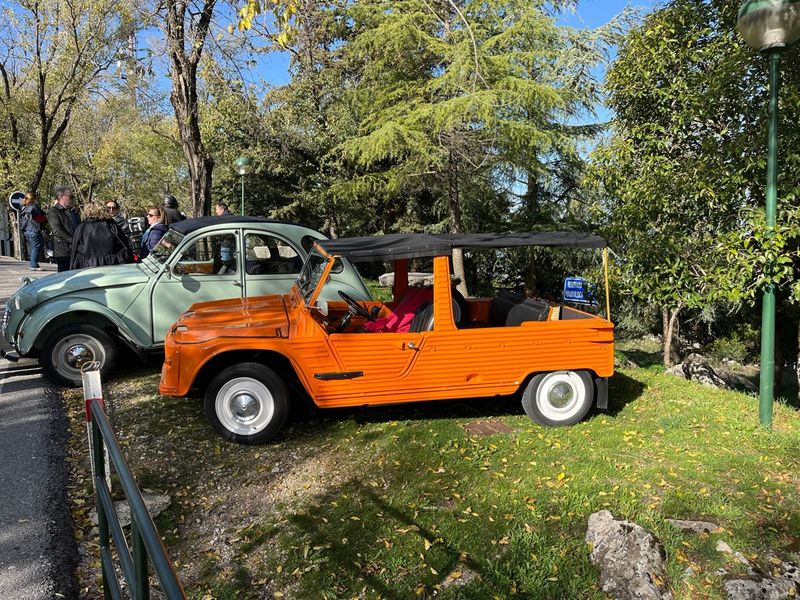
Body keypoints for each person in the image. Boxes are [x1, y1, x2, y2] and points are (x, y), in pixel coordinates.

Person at [69, 203, 132, 270]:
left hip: (88, 265)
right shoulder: (111, 225)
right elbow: (123, 243)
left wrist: (73, 267)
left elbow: (75, 249)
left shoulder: (81, 228)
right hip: (112, 263)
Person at [47, 186, 80, 272]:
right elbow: (57, 230)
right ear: (61, 197)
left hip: (77, 249)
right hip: (64, 251)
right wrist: (73, 240)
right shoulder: (53, 211)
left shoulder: (73, 211)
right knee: (65, 275)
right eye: (70, 196)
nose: (72, 199)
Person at [20, 192, 47, 271]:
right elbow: (38, 219)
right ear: (34, 199)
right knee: (36, 247)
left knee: (35, 246)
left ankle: (34, 263)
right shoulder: (34, 207)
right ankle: (34, 265)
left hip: (27, 230)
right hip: (33, 230)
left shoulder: (25, 207)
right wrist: (44, 218)